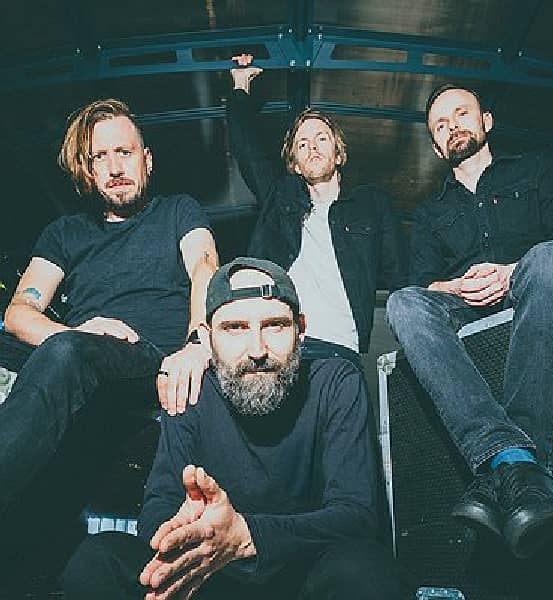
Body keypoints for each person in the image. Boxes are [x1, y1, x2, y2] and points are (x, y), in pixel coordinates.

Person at [62, 257, 412, 600]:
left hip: (301, 570)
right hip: (212, 574)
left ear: (300, 330)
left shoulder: (335, 382)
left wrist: (246, 534)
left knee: (367, 571)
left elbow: (357, 515)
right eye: (235, 328)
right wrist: (185, 529)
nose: (257, 350)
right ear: (207, 337)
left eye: (275, 325)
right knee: (97, 562)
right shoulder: (191, 387)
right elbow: (158, 509)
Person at [386, 84, 553, 559]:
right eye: (441, 125)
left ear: (486, 121)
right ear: (436, 147)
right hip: (471, 306)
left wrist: (511, 272)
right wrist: (457, 286)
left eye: (461, 114)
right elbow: (423, 283)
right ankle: (516, 464)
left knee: (550, 257)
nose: (452, 126)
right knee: (403, 303)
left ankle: (504, 467)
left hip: (539, 285)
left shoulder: (537, 169)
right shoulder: (431, 211)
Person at [0, 98, 217, 523]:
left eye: (124, 152)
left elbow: (204, 266)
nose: (115, 167)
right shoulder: (65, 233)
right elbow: (19, 312)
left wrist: (198, 341)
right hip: (79, 353)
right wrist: (76, 333)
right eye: (100, 156)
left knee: (67, 352)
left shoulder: (178, 211)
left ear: (146, 160)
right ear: (88, 169)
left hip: (146, 357)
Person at [227, 54, 408, 367]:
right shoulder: (280, 199)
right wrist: (240, 86)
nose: (312, 147)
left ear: (338, 155)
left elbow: (401, 274)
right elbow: (248, 150)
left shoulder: (371, 204)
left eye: (321, 139)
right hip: (280, 348)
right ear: (295, 165)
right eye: (302, 144)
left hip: (341, 347)